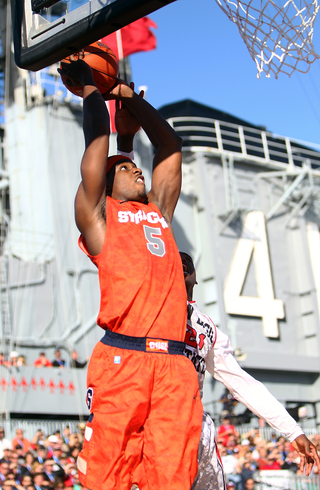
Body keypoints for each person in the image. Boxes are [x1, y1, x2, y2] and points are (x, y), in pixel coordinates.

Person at [57, 54, 203, 490]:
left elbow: (170, 146)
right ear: (103, 180)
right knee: (108, 479)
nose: (136, 167)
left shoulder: (159, 212)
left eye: (134, 164)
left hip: (175, 366)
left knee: (173, 480)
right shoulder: (98, 216)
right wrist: (90, 89)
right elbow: (98, 141)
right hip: (124, 358)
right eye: (124, 166)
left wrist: (127, 98)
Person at [179, 251, 320, 490]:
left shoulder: (207, 329)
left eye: (187, 263)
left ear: (195, 278)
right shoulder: (148, 313)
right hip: (154, 425)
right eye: (174, 260)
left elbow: (244, 386)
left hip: (193, 429)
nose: (181, 262)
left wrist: (293, 431)